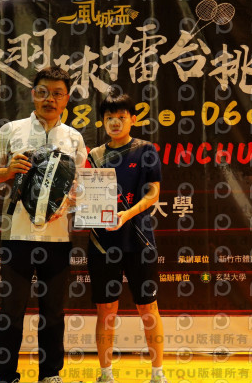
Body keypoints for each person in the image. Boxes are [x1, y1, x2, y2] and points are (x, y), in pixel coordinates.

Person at [0, 66, 86, 383]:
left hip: (58, 239)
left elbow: (84, 187)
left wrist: (70, 202)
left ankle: (50, 374)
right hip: (17, 236)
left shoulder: (74, 138)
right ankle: (6, 376)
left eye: (57, 93)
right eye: (43, 92)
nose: (49, 98)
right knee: (11, 311)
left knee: (53, 312)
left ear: (66, 98)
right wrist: (7, 171)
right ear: (32, 94)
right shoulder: (11, 130)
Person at [86, 93, 168, 383]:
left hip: (139, 242)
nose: (115, 122)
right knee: (106, 309)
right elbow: (87, 196)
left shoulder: (145, 150)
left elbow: (153, 192)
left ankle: (157, 374)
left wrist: (128, 213)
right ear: (102, 121)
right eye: (109, 117)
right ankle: (105, 374)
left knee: (148, 307)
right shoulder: (94, 156)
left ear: (133, 119)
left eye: (121, 117)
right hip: (102, 243)